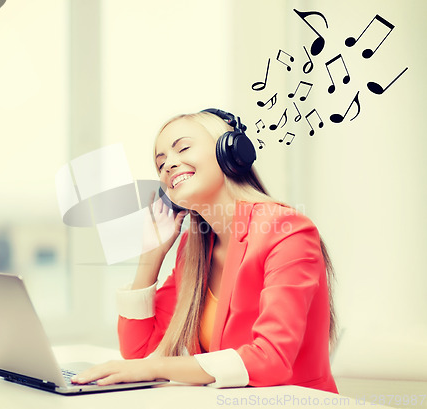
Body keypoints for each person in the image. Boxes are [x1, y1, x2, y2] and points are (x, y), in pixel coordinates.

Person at [72, 109, 338, 393]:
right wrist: (150, 256)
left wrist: (154, 367)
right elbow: (138, 351)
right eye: (160, 164)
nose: (168, 167)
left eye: (183, 148)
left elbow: (270, 359)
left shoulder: (286, 229)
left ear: (229, 152)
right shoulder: (194, 249)